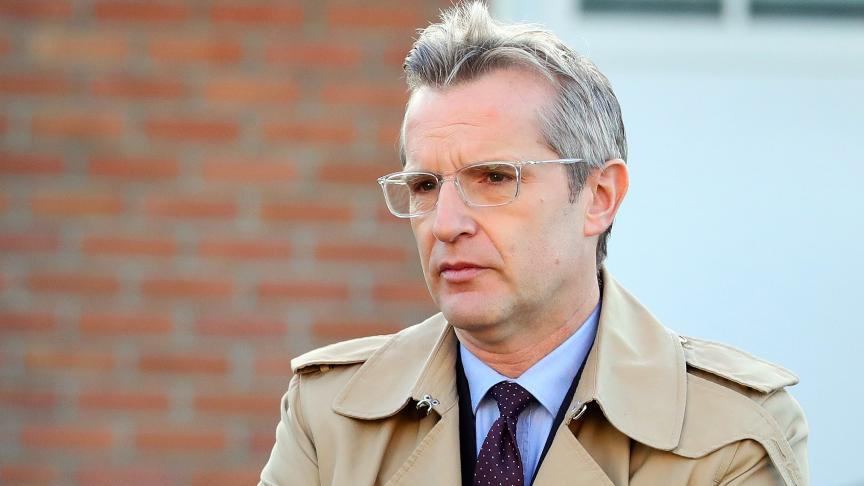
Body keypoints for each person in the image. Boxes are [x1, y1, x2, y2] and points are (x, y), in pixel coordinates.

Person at [259, 2, 808, 485]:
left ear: (599, 197)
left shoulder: (731, 430)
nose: (445, 224)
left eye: (494, 178)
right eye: (424, 185)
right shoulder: (329, 415)